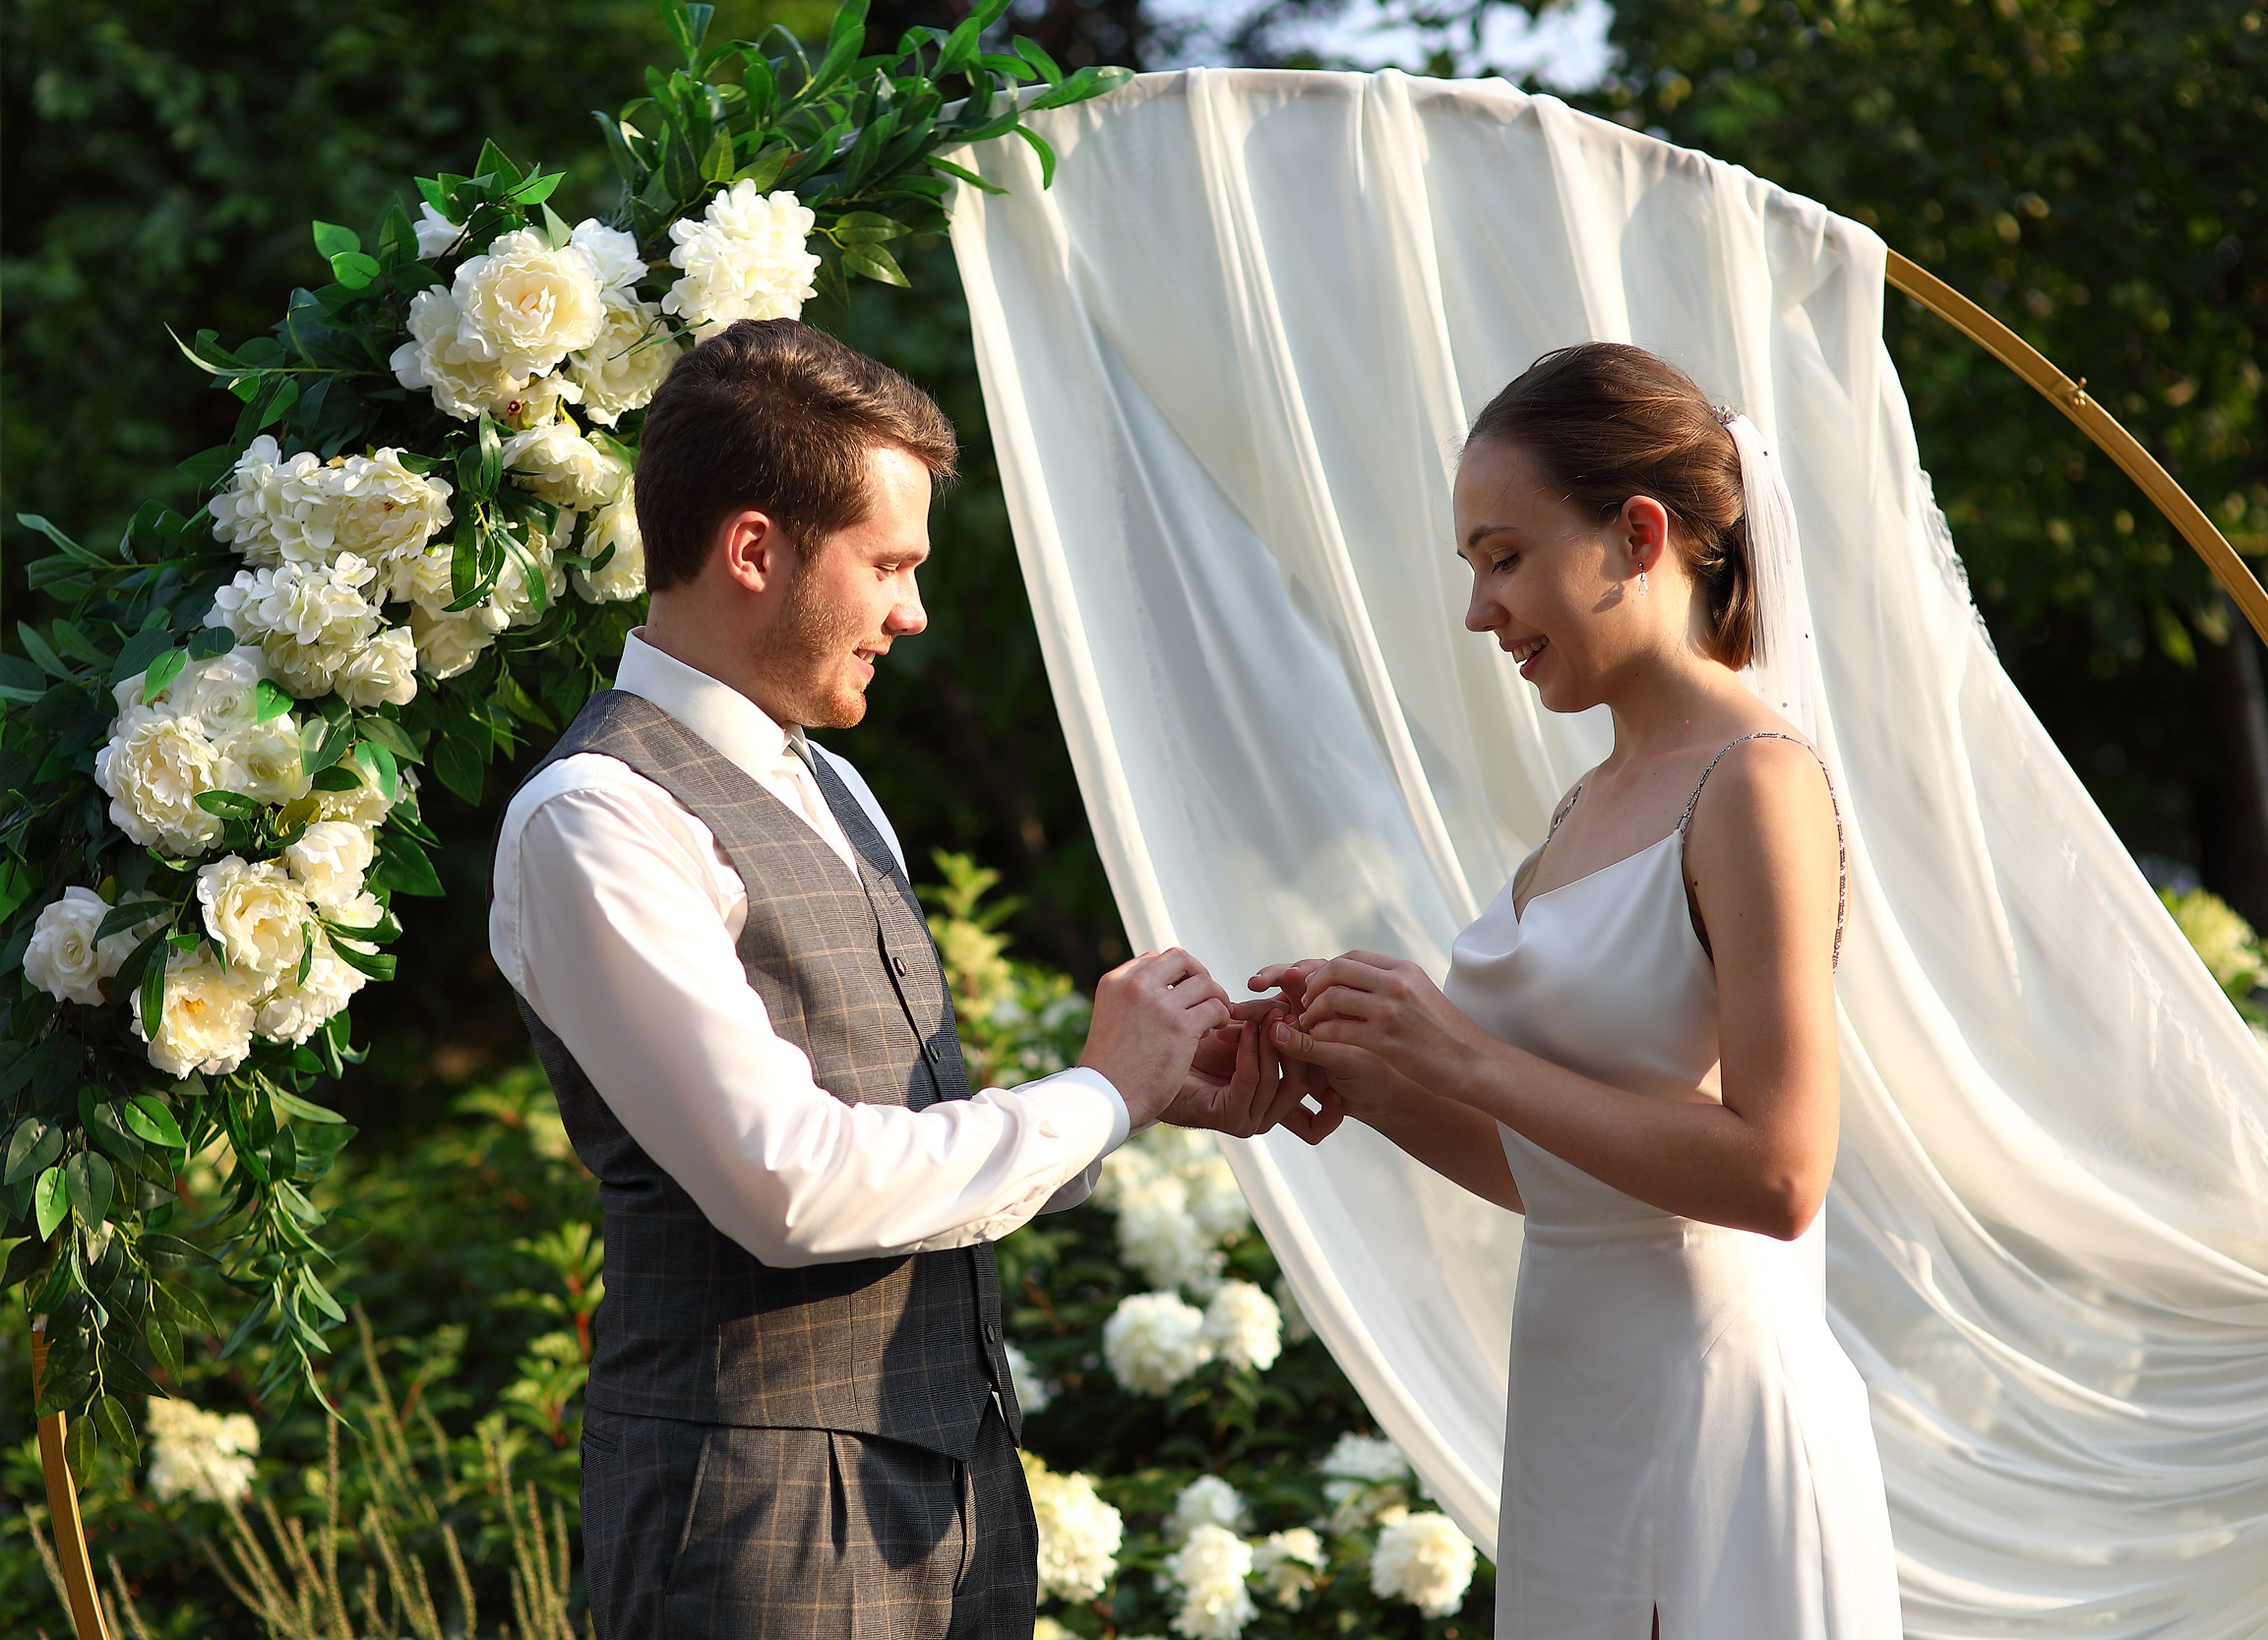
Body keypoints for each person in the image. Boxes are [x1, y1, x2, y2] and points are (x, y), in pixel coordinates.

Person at [487, 318, 1309, 1639]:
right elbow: (791, 1186)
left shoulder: (837, 781)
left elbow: (892, 1131)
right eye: (888, 564)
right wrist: (1094, 1097)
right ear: (755, 550)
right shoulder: (596, 816)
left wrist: (1147, 1094)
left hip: (953, 1491)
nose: (914, 611)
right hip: (751, 1516)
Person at [1257, 343, 1902, 1638]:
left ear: (1638, 534)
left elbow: (1780, 1176)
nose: (1480, 610)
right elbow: (1563, 1173)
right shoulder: (1587, 804)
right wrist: (1361, 1072)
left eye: (1503, 557)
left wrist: (1470, 1057)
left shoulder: (1757, 782)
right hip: (1573, 1421)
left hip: (1710, 1419)